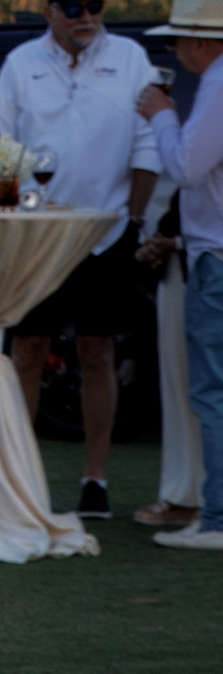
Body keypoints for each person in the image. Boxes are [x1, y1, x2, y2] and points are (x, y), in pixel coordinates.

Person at [0, 0, 159, 522]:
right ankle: (18, 479)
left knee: (96, 351)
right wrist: (8, 213)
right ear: (50, 14)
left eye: (95, 8)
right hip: (37, 236)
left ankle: (95, 480)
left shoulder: (130, 58)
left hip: (104, 232)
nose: (88, 19)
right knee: (28, 351)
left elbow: (148, 146)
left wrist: (133, 220)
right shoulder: (20, 64)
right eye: (75, 9)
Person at [137, 0, 223, 551]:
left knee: (212, 389)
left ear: (198, 42)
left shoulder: (217, 85)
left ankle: (217, 518)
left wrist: (162, 117)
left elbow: (188, 167)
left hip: (216, 253)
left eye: (177, 43)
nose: (175, 54)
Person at [133, 191, 207, 529]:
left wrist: (172, 241)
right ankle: (185, 493)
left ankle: (198, 496)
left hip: (201, 260)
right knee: (178, 383)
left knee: (200, 385)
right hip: (178, 265)